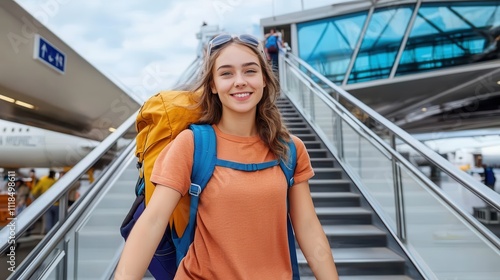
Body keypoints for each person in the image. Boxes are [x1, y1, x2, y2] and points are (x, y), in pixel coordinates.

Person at [115, 33, 338, 279]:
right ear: (212, 84)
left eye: (250, 71)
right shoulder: (191, 144)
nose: (240, 81)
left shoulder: (290, 149)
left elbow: (308, 227)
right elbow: (152, 222)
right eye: (226, 73)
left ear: (264, 79)